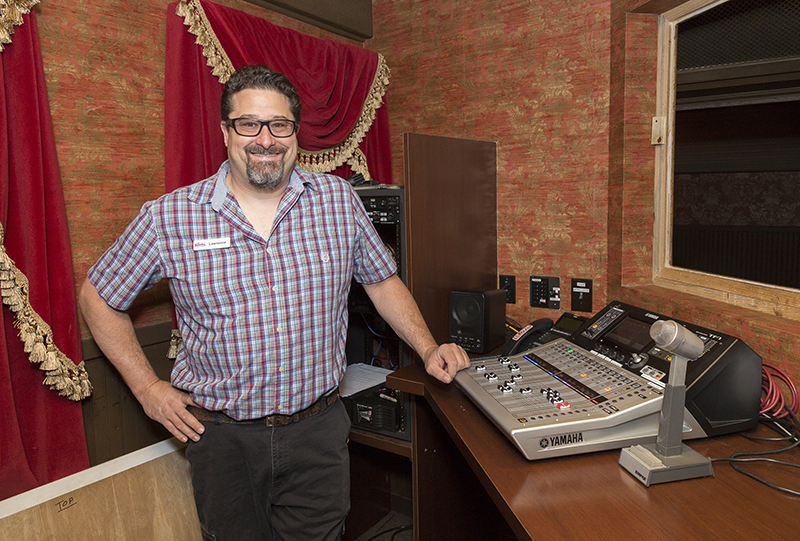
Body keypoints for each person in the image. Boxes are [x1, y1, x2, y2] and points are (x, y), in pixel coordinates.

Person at [79, 64, 470, 541]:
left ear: (295, 132)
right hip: (222, 439)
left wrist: (428, 348)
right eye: (249, 124)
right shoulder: (170, 217)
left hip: (318, 430)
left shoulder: (337, 201)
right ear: (226, 131)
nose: (265, 139)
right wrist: (147, 389)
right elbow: (99, 296)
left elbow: (382, 281)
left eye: (279, 125)